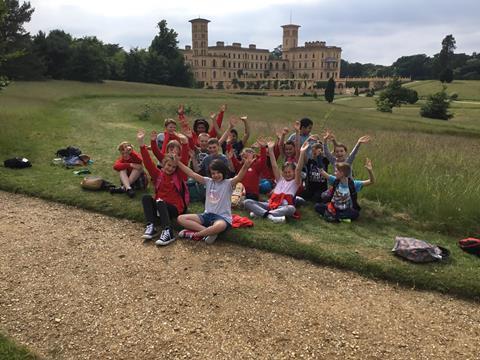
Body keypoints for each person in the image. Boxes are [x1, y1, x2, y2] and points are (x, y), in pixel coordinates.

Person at [175, 155, 253, 244]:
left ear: (223, 172)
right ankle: (209, 233)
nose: (216, 175)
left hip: (222, 218)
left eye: (218, 172)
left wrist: (246, 165)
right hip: (207, 215)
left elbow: (239, 177)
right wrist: (178, 162)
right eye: (213, 173)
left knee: (220, 226)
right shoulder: (208, 181)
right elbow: (192, 174)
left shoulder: (228, 183)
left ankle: (195, 234)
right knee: (181, 218)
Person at [137, 130, 189, 245]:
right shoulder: (158, 174)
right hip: (160, 204)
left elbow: (184, 161)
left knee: (160, 202)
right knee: (146, 198)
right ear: (164, 164)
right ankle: (151, 226)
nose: (170, 168)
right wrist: (141, 143)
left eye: (173, 167)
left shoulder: (179, 175)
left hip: (175, 208)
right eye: (168, 165)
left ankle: (168, 230)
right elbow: (148, 162)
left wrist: (185, 143)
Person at [244, 140, 308, 223]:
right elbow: (274, 166)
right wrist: (270, 150)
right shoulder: (280, 180)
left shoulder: (296, 182)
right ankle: (270, 216)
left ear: (293, 172)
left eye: (289, 172)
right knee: (247, 202)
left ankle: (262, 214)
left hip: (283, 206)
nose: (287, 174)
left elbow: (298, 169)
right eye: (285, 172)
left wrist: (302, 153)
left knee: (291, 209)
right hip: (271, 204)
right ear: (282, 173)